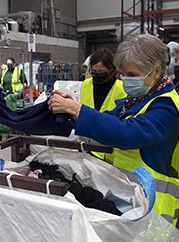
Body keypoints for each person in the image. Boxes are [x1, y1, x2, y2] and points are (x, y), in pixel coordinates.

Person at [48, 34, 179, 226]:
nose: (125, 80)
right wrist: (73, 108)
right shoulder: (135, 100)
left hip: (154, 211)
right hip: (127, 202)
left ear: (156, 71)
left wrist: (78, 110)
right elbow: (108, 119)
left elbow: (127, 133)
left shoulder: (167, 106)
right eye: (123, 74)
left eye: (132, 75)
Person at [80, 48, 127, 159]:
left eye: (101, 72)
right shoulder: (86, 84)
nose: (97, 75)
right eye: (94, 72)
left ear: (111, 69)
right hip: (86, 144)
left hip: (108, 147)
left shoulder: (121, 88)